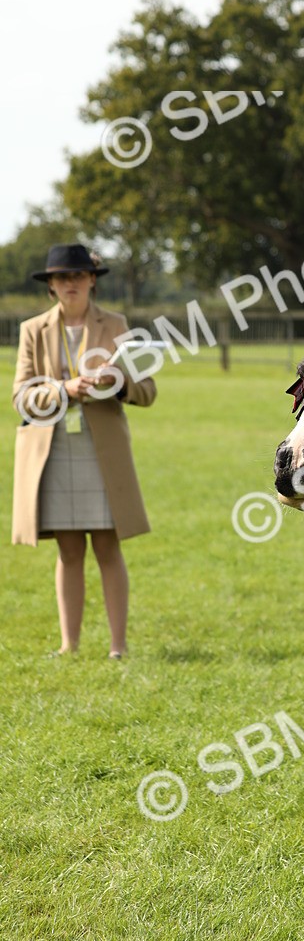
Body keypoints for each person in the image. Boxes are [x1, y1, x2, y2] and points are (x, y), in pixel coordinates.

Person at [12, 243, 156, 658]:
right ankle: (68, 646)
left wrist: (119, 381)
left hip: (102, 452)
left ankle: (117, 646)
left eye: (76, 276)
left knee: (108, 546)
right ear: (51, 285)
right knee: (68, 548)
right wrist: (62, 389)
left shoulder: (117, 325)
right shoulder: (32, 330)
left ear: (92, 280)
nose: (69, 284)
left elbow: (146, 390)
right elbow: (20, 396)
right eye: (60, 277)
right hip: (51, 451)